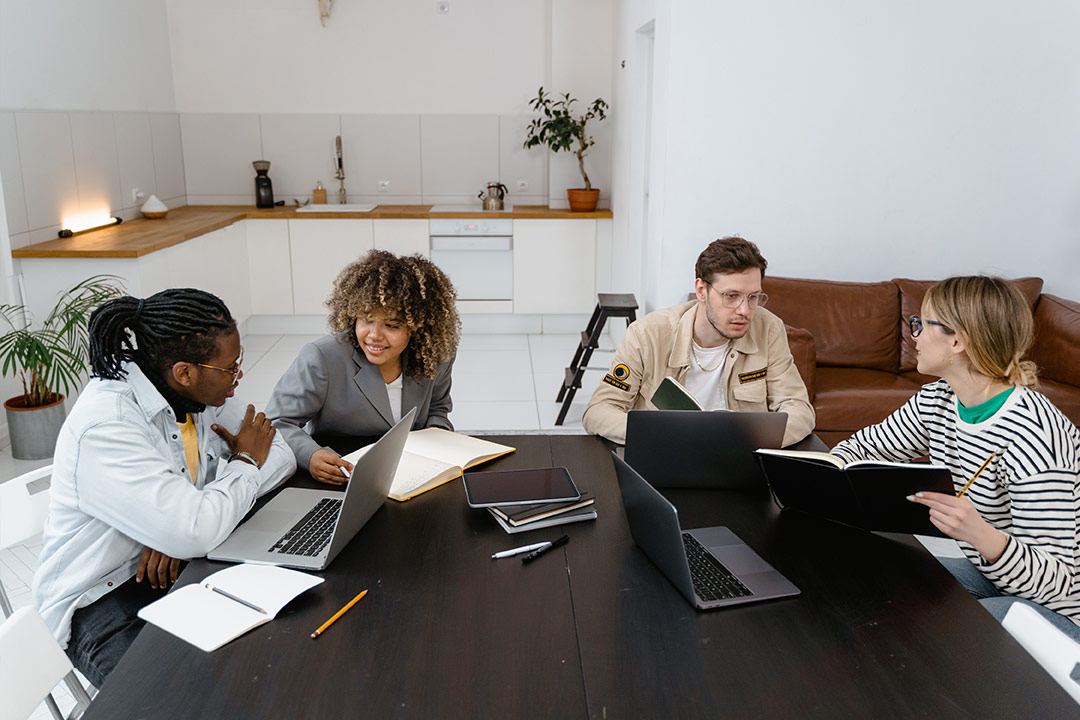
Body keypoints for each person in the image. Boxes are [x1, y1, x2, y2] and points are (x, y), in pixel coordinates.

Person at [32, 289, 296, 688]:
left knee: (265, 661)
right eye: (230, 368)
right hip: (101, 600)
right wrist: (242, 463)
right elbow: (195, 528)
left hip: (178, 568)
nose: (238, 377)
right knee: (184, 699)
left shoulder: (196, 391)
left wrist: (181, 523)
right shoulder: (108, 425)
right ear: (185, 372)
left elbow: (280, 453)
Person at [832, 276, 1080, 639]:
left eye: (921, 324)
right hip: (995, 574)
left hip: (1064, 608)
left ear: (958, 341)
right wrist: (829, 474)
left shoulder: (1035, 436)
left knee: (956, 632)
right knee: (890, 583)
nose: (913, 336)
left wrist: (981, 535)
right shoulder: (937, 400)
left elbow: (1059, 585)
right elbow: (864, 447)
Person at [581, 236, 814, 447]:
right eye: (732, 296)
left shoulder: (769, 329)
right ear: (701, 290)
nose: (745, 310)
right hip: (668, 456)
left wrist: (746, 441)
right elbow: (599, 411)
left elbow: (798, 409)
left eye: (753, 297)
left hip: (739, 458)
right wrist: (664, 437)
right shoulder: (647, 334)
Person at [267, 250, 460, 485]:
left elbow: (438, 410)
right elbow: (277, 422)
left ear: (418, 327)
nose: (374, 335)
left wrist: (438, 445)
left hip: (409, 473)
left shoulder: (434, 356)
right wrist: (310, 455)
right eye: (366, 319)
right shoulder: (322, 357)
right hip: (340, 472)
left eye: (392, 325)